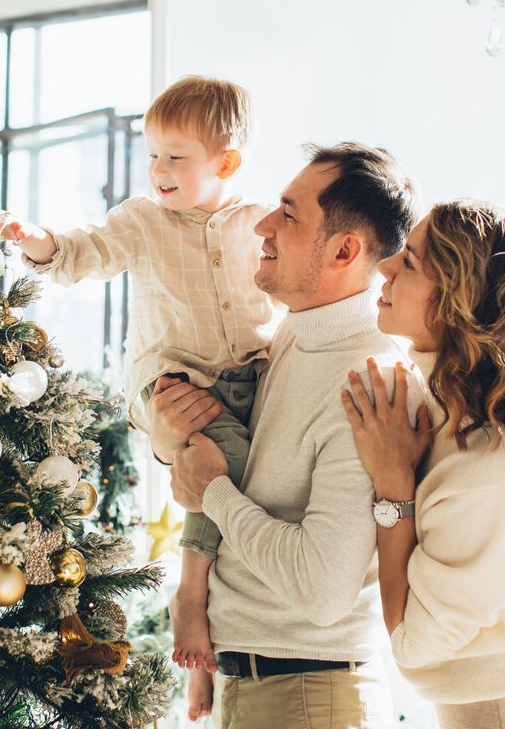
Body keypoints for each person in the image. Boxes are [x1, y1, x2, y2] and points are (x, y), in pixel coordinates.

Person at [0, 76, 274, 689]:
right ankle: (190, 596)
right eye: (152, 154)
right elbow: (81, 252)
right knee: (225, 465)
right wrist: (34, 240)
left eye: (176, 157)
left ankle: (219, 646)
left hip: (249, 378)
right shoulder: (144, 221)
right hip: (167, 380)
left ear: (226, 162)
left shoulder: (258, 223)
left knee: (253, 484)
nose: (158, 169)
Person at [148, 141, 419, 726]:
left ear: (346, 250)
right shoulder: (297, 334)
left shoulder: (370, 382)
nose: (264, 226)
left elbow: (322, 592)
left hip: (305, 695)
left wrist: (212, 493)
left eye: (290, 214)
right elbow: (243, 465)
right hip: (259, 683)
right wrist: (173, 437)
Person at [341, 201, 505, 729]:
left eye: (408, 262)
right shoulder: (452, 413)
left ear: (454, 301)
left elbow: (410, 642)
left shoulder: (488, 468)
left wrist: (393, 489)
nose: (384, 267)